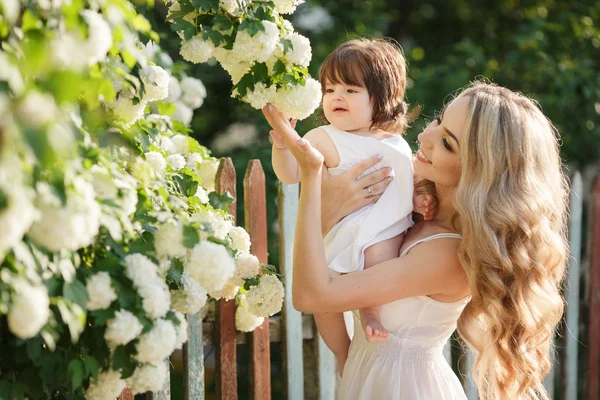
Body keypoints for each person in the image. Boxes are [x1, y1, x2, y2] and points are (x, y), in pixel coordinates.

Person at [262, 81, 568, 400]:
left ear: (479, 172)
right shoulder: (412, 201)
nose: (424, 136)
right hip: (365, 377)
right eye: (438, 121)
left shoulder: (449, 254)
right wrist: (330, 209)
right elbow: (331, 252)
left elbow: (311, 295)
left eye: (447, 143)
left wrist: (312, 179)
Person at [269, 38, 434, 371]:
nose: (337, 97)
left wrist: (420, 198)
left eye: (351, 89)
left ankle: (370, 311)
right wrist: (282, 145)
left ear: (382, 99)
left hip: (382, 232)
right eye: (329, 90)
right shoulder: (323, 138)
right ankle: (342, 354)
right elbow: (289, 175)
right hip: (339, 232)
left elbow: (404, 182)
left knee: (380, 260)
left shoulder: (397, 143)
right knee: (323, 297)